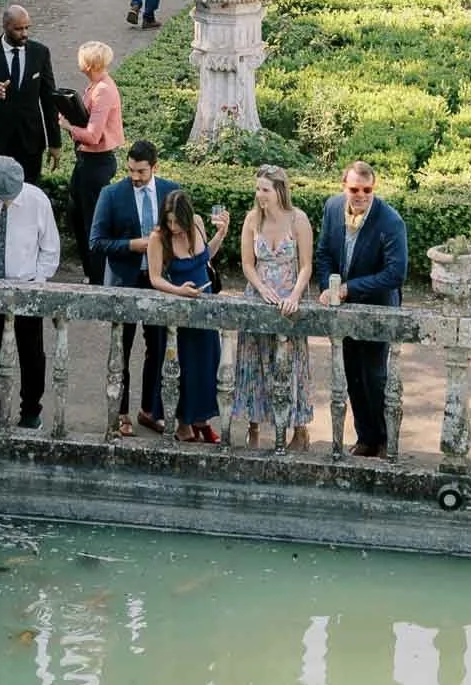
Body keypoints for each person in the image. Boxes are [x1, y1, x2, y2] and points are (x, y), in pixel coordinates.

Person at [314, 160, 408, 460]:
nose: (361, 195)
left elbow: (396, 274)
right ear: (344, 187)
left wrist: (349, 288)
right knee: (351, 374)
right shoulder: (331, 208)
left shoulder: (390, 221)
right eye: (355, 189)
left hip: (378, 308)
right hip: (342, 309)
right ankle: (365, 437)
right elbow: (324, 253)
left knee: (375, 376)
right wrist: (329, 288)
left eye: (367, 190)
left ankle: (385, 440)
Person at [0, 155, 61, 428]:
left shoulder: (37, 200)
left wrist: (37, 281)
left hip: (26, 285)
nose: (5, 200)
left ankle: (31, 410)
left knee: (31, 353)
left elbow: (50, 248)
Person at [91, 138, 180, 434]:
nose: (135, 177)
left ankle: (149, 410)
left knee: (157, 348)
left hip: (159, 282)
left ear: (155, 167)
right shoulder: (111, 194)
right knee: (121, 348)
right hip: (124, 281)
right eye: (131, 170)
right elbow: (97, 242)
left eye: (141, 171)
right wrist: (133, 245)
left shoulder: (171, 191)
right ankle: (121, 412)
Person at [233, 165, 314, 448]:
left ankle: (300, 430)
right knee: (254, 362)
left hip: (289, 296)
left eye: (265, 189)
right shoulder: (252, 220)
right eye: (257, 189)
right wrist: (260, 287)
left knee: (290, 364)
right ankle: (254, 427)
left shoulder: (298, 220)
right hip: (259, 295)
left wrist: (293, 295)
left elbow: (306, 266)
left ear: (280, 190)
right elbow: (246, 264)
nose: (260, 195)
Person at [148, 189, 229, 444]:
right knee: (183, 368)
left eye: (178, 222)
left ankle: (201, 420)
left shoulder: (197, 224)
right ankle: (183, 423)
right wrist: (179, 292)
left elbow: (207, 255)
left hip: (204, 309)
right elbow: (155, 278)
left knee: (206, 367)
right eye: (169, 221)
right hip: (178, 313)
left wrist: (221, 234)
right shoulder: (158, 237)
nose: (174, 227)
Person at [0, 5, 60, 181]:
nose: (24, 34)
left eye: (26, 28)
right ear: (5, 26)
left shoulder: (40, 53)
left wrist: (55, 142)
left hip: (30, 141)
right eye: (18, 29)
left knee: (28, 195)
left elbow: (49, 99)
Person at [58, 42, 122, 285]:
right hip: (87, 160)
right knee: (78, 215)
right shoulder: (95, 86)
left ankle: (97, 276)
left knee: (92, 222)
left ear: (88, 64)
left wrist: (67, 127)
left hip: (96, 162)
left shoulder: (103, 90)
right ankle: (92, 272)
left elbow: (93, 135)